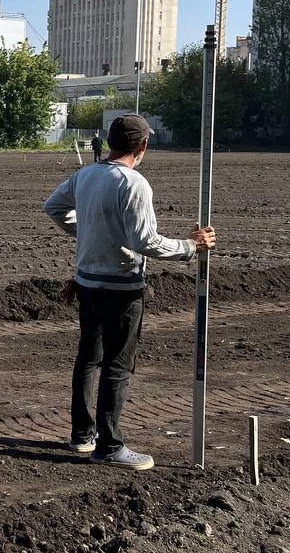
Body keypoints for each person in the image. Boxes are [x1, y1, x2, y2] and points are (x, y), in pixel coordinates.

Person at [43, 114, 216, 471]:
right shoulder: (134, 183)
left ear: (109, 142)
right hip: (122, 288)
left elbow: (54, 207)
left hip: (87, 283)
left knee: (89, 358)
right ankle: (109, 445)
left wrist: (89, 235)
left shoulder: (86, 175)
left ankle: (82, 435)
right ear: (143, 146)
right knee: (118, 366)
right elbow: (145, 241)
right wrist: (189, 246)